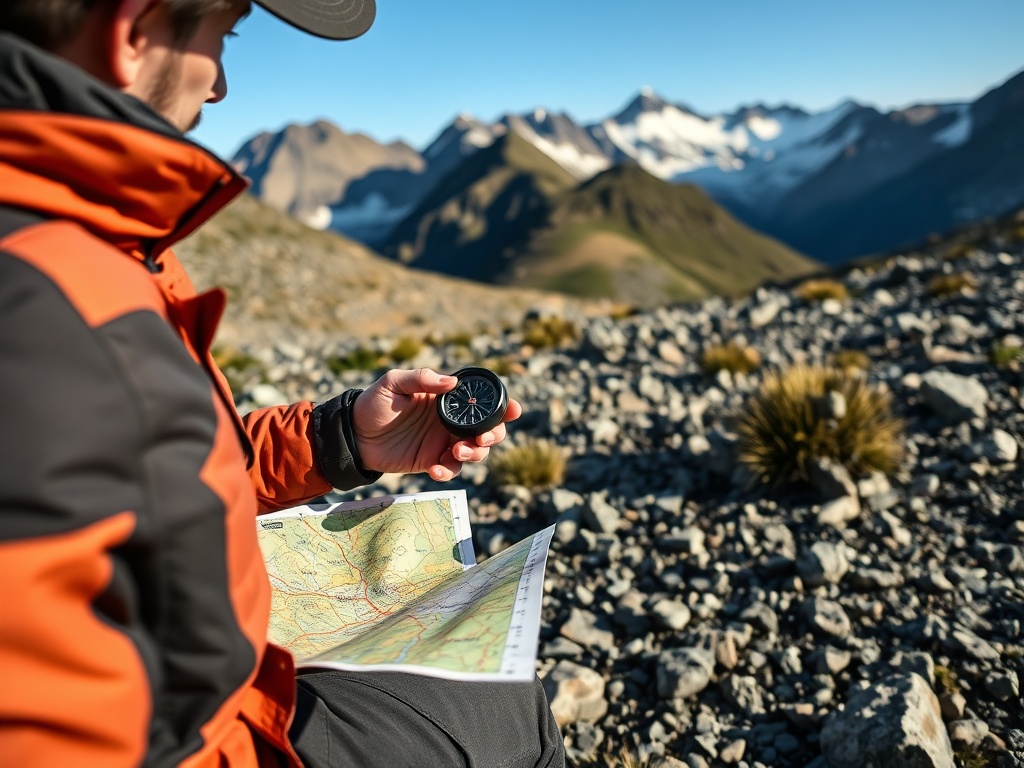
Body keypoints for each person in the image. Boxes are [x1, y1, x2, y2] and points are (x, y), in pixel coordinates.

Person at [0, 1, 566, 766]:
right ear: (135, 31)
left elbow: (141, 472)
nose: (223, 85)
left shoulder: (73, 246)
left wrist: (338, 439)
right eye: (220, 37)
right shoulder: (59, 307)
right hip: (224, 739)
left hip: (210, 695)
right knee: (510, 710)